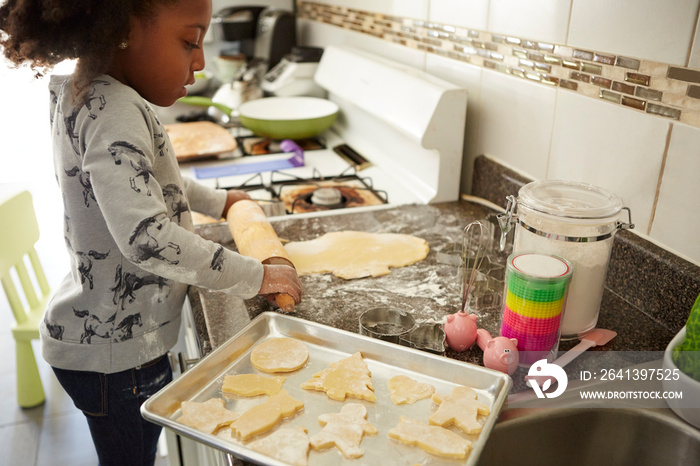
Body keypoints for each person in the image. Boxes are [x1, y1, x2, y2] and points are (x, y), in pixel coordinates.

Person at [0, 1, 302, 464]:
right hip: (118, 360)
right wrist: (256, 275)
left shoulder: (91, 92)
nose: (200, 61)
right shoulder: (115, 109)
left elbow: (150, 181)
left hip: (104, 343)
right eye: (189, 41)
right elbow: (146, 236)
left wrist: (220, 202)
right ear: (121, 29)